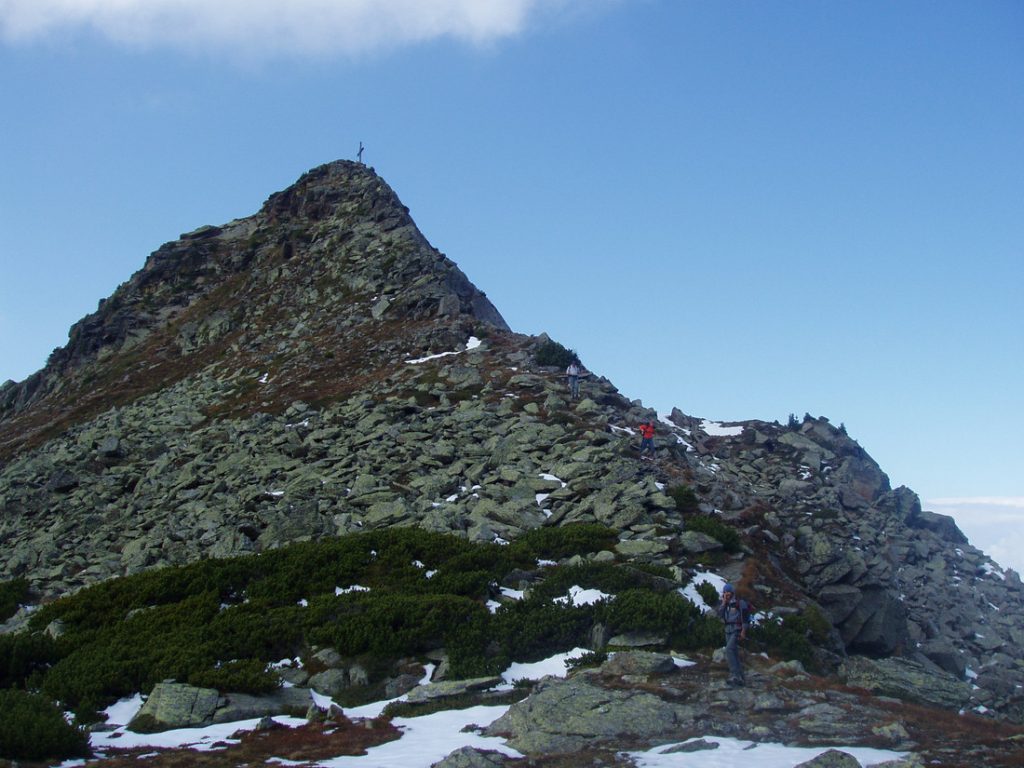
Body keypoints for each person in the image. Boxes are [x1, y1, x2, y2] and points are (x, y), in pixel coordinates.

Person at [717, 583, 751, 686]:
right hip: (728, 630)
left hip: (737, 629)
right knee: (734, 652)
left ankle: (734, 675)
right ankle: (741, 677)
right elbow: (720, 615)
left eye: (728, 592)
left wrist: (743, 631)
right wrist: (723, 603)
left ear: (732, 592)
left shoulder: (740, 603)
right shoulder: (726, 604)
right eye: (724, 592)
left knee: (729, 649)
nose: (726, 594)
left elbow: (745, 618)